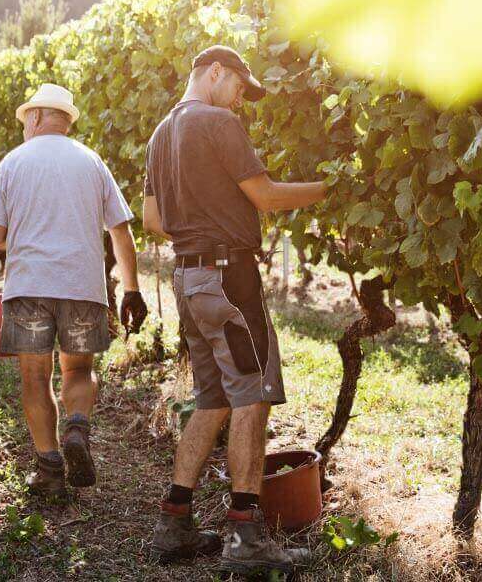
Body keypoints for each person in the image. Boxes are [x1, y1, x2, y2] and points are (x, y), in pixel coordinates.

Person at [142, 46, 327, 575]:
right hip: (229, 278)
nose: (242, 99)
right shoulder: (218, 121)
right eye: (241, 87)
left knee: (213, 399)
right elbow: (266, 197)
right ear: (215, 73)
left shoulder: (161, 134)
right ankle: (245, 536)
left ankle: (174, 522)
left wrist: (201, 216)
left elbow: (154, 219)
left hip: (188, 278)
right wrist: (331, 190)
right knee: (252, 398)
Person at [0, 83, 149, 501]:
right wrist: (131, 290)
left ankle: (49, 468)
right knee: (77, 370)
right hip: (82, 286)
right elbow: (121, 232)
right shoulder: (92, 162)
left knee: (36, 377)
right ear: (66, 119)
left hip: (29, 287)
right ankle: (76, 426)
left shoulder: (13, 162)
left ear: (35, 117)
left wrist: (25, 232)